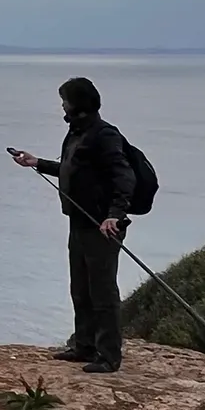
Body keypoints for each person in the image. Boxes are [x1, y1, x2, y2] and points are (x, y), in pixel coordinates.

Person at [9, 77, 136, 374]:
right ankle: (84, 345)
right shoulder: (77, 133)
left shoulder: (104, 135)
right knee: (80, 288)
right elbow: (71, 170)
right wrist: (37, 162)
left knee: (102, 292)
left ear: (78, 105)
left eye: (65, 101)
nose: (62, 107)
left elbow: (124, 177)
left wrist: (114, 215)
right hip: (78, 223)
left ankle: (109, 355)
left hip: (102, 226)